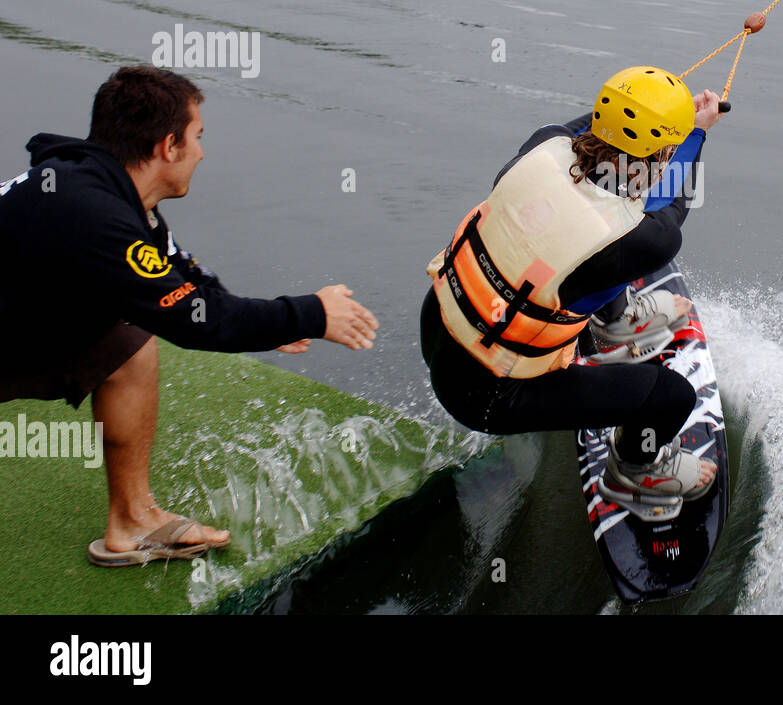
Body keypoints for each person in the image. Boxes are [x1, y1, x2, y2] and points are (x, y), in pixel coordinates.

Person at [0, 65, 380, 567]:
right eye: (197, 137)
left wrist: (278, 324)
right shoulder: (93, 213)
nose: (202, 151)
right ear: (168, 145)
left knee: (128, 341)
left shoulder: (112, 192)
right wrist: (309, 314)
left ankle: (134, 521)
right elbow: (194, 320)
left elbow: (186, 283)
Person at [420, 66, 723, 516]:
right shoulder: (647, 239)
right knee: (671, 395)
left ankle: (614, 325)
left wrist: (650, 111)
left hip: (441, 330)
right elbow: (669, 203)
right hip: (488, 398)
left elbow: (590, 129)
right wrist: (695, 134)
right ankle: (635, 474)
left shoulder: (542, 143)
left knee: (579, 258)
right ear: (662, 151)